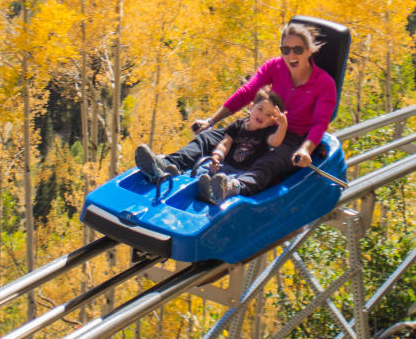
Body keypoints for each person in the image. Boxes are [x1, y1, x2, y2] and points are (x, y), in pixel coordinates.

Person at [135, 21, 337, 203]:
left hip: (290, 137)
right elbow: (247, 92)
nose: (291, 56)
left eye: (297, 49)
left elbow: (320, 123)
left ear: (309, 51)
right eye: (286, 49)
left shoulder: (324, 83)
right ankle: (166, 166)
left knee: (270, 161)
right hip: (263, 123)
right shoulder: (275, 67)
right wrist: (211, 121)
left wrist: (306, 149)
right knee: (208, 138)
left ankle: (233, 187)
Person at [196, 89, 287, 204]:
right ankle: (200, 183)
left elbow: (275, 142)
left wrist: (282, 126)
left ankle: (224, 190)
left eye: (269, 115)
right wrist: (217, 156)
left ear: (273, 121)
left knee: (235, 182)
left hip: (243, 173)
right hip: (226, 166)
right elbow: (225, 144)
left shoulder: (268, 132)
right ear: (251, 106)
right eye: (260, 109)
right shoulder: (237, 126)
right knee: (204, 167)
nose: (262, 115)